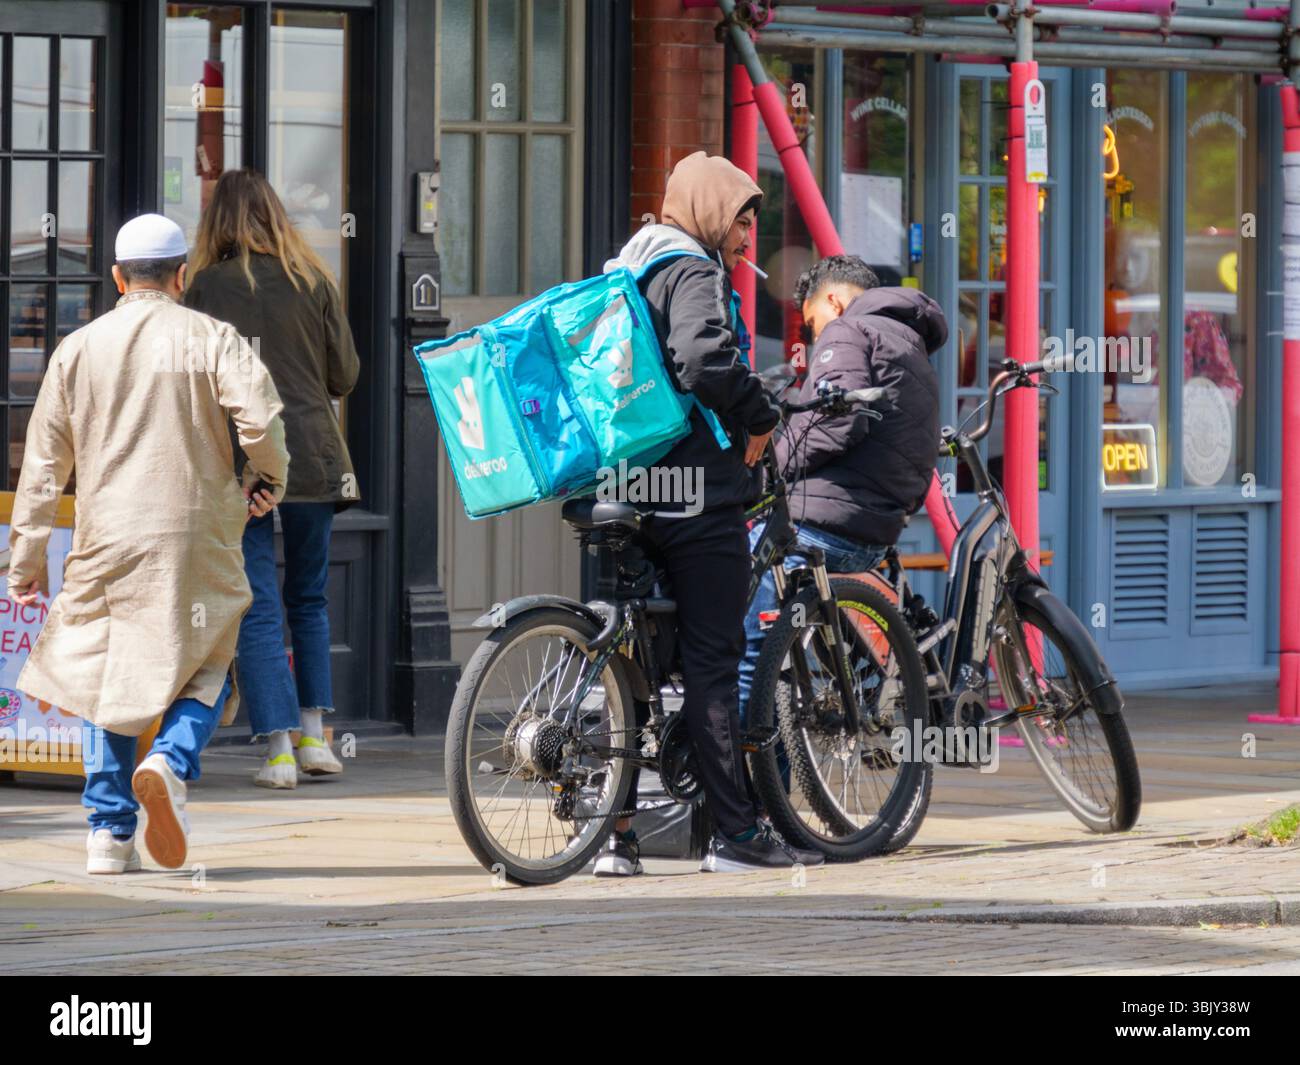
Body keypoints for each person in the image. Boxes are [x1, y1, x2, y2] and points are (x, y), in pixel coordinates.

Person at [7, 213, 288, 874]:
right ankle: (171, 758)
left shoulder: (78, 349)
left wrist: (25, 559)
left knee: (109, 672)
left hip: (110, 534)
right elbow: (263, 418)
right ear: (182, 275)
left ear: (116, 277)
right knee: (210, 655)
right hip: (201, 530)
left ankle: (108, 831)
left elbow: (44, 465)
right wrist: (266, 477)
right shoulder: (211, 337)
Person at [594, 151, 824, 876]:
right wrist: (758, 413)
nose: (748, 238)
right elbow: (701, 358)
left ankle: (614, 835)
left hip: (629, 485)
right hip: (695, 493)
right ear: (707, 212)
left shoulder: (629, 266)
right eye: (741, 220)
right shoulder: (690, 268)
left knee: (633, 668)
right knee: (712, 665)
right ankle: (735, 835)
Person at [184, 169, 360, 790]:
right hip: (313, 457)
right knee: (308, 599)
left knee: (255, 600)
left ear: (217, 223)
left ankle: (279, 751)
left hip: (242, 466)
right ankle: (317, 738)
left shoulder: (203, 287)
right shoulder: (313, 280)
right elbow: (345, 377)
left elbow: (192, 384)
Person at [737, 255, 946, 727]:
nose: (815, 338)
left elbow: (834, 423)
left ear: (832, 299)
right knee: (776, 641)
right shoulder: (909, 342)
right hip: (873, 533)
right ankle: (774, 783)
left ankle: (740, 787)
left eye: (812, 324)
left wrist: (765, 473)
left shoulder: (849, 331)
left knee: (742, 639)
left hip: (823, 527)